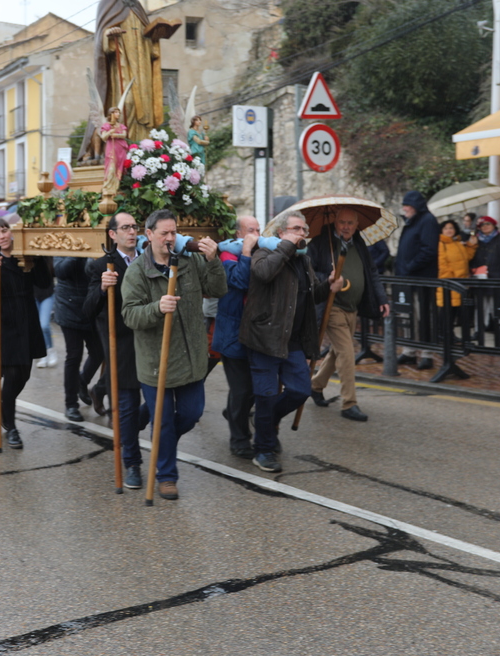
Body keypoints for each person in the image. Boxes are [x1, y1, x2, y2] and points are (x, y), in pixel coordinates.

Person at [122, 210, 226, 499]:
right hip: (157, 363)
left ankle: (155, 428)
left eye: (174, 232)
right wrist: (157, 308)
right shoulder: (138, 271)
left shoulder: (189, 263)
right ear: (150, 234)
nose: (170, 238)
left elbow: (218, 288)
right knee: (165, 421)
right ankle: (167, 476)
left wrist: (212, 260)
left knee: (191, 414)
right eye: (164, 233)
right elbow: (130, 315)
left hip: (192, 359)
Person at [239, 211, 339, 472]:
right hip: (264, 337)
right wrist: (286, 248)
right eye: (295, 229)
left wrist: (327, 285)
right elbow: (262, 274)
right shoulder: (264, 251)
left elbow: (311, 295)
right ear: (281, 233)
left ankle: (265, 423)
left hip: (292, 340)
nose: (301, 234)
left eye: (304, 230)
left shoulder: (302, 261)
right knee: (267, 395)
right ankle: (263, 450)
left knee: (300, 391)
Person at [0, 218, 52, 450]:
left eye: (4, 230)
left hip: (26, 319)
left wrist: (38, 258)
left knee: (24, 374)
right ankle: (11, 426)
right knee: (10, 375)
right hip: (2, 323)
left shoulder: (24, 255)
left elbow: (44, 283)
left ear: (11, 232)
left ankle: (2, 405)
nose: (2, 235)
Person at [309, 207, 390, 423]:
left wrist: (382, 299)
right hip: (331, 306)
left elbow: (372, 272)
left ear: (356, 225)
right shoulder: (320, 242)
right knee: (346, 352)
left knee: (337, 352)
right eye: (342, 222)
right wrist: (327, 278)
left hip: (352, 307)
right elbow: (308, 271)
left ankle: (315, 386)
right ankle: (349, 403)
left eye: (350, 223)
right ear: (335, 222)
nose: (346, 227)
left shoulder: (359, 243)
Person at [85, 212, 146, 488]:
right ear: (113, 234)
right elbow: (87, 310)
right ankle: (132, 462)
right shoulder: (101, 265)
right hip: (122, 345)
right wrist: (101, 288)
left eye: (135, 227)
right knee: (127, 408)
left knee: (162, 405)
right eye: (125, 228)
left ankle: (133, 430)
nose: (132, 232)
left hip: (151, 340)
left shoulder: (149, 258)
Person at [94, 0, 171, 144]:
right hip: (123, 64)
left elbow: (149, 40)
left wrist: (155, 38)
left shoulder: (138, 7)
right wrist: (108, 35)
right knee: (127, 103)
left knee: (145, 106)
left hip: (143, 68)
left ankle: (142, 149)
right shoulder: (108, 1)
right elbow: (100, 36)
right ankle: (124, 145)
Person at [213, 216, 259, 459]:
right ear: (239, 234)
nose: (256, 234)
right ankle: (239, 439)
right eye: (251, 230)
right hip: (233, 334)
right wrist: (248, 250)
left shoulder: (255, 254)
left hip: (255, 334)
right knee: (241, 390)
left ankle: (234, 414)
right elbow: (241, 280)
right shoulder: (227, 257)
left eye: (259, 230)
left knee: (253, 389)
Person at [54, 255, 106, 421]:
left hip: (91, 306)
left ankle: (82, 381)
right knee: (74, 356)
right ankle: (71, 405)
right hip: (69, 307)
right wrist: (77, 254)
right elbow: (60, 271)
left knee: (99, 352)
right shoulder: (65, 243)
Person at [395, 190, 440, 369]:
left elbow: (428, 251)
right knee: (408, 315)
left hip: (421, 279)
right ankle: (409, 351)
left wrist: (409, 267)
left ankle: (427, 354)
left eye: (408, 205)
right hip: (408, 280)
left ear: (416, 206)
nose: (404, 208)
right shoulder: (412, 221)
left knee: (424, 317)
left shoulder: (427, 220)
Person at [467, 215, 500, 331]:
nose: (485, 227)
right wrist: (473, 270)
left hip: (497, 278)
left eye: (488, 224)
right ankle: (479, 331)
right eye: (482, 225)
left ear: (494, 225)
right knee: (480, 307)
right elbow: (470, 258)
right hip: (480, 279)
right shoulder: (476, 241)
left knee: (497, 306)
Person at [99, 107, 130, 196]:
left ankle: (119, 187)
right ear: (111, 114)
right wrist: (109, 132)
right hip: (112, 149)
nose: (118, 114)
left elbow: (124, 135)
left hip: (121, 148)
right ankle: (108, 188)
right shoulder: (107, 125)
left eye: (118, 112)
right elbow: (103, 137)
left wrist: (115, 134)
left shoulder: (121, 125)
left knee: (121, 168)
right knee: (111, 168)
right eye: (116, 112)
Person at [34, 277, 58, 368]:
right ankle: (43, 354)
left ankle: (50, 350)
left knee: (44, 325)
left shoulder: (48, 263)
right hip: (32, 293)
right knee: (37, 326)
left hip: (47, 293)